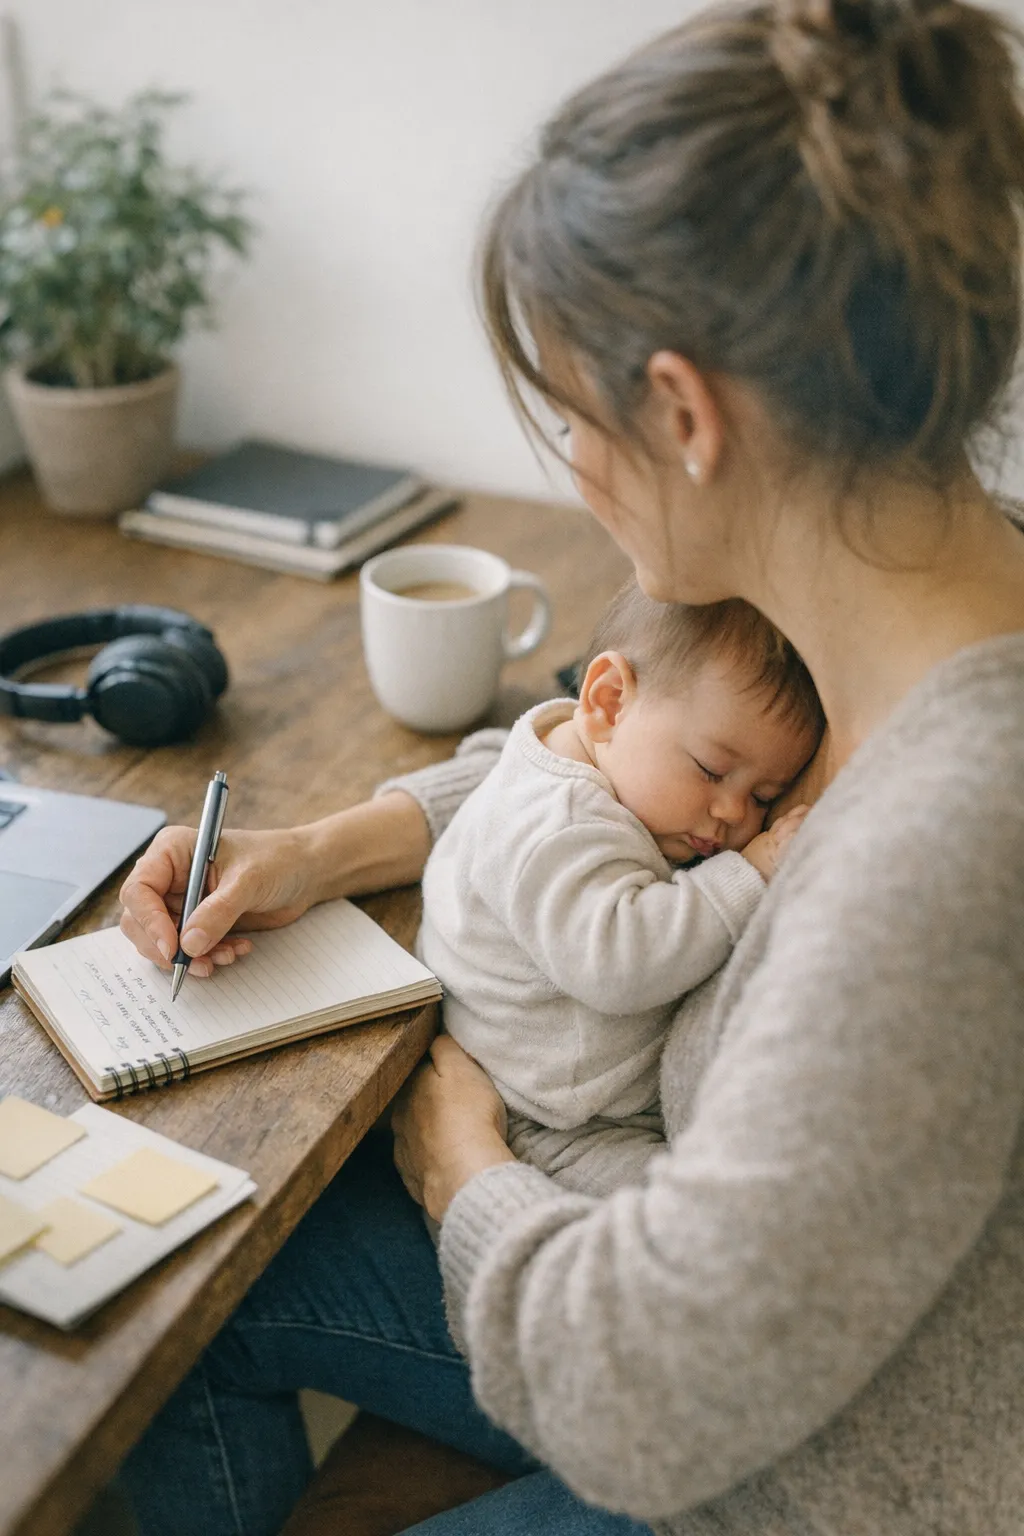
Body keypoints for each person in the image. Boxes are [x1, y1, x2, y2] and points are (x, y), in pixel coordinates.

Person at [117, 0, 1024, 1532]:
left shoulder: (943, 846)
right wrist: (327, 847)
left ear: (682, 412)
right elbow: (597, 777)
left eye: (565, 411)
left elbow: (650, 1402)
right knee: (195, 1270)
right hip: (739, 1313)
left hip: (798, 1473)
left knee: (176, 1296)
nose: (570, 469)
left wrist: (456, 1161)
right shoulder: (902, 619)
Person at [419, 579, 819, 1196]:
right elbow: (618, 960)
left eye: (764, 796)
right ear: (608, 702)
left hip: (577, 1097)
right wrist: (750, 873)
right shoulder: (563, 825)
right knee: (683, 1221)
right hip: (551, 1126)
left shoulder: (585, 763)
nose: (734, 814)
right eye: (713, 770)